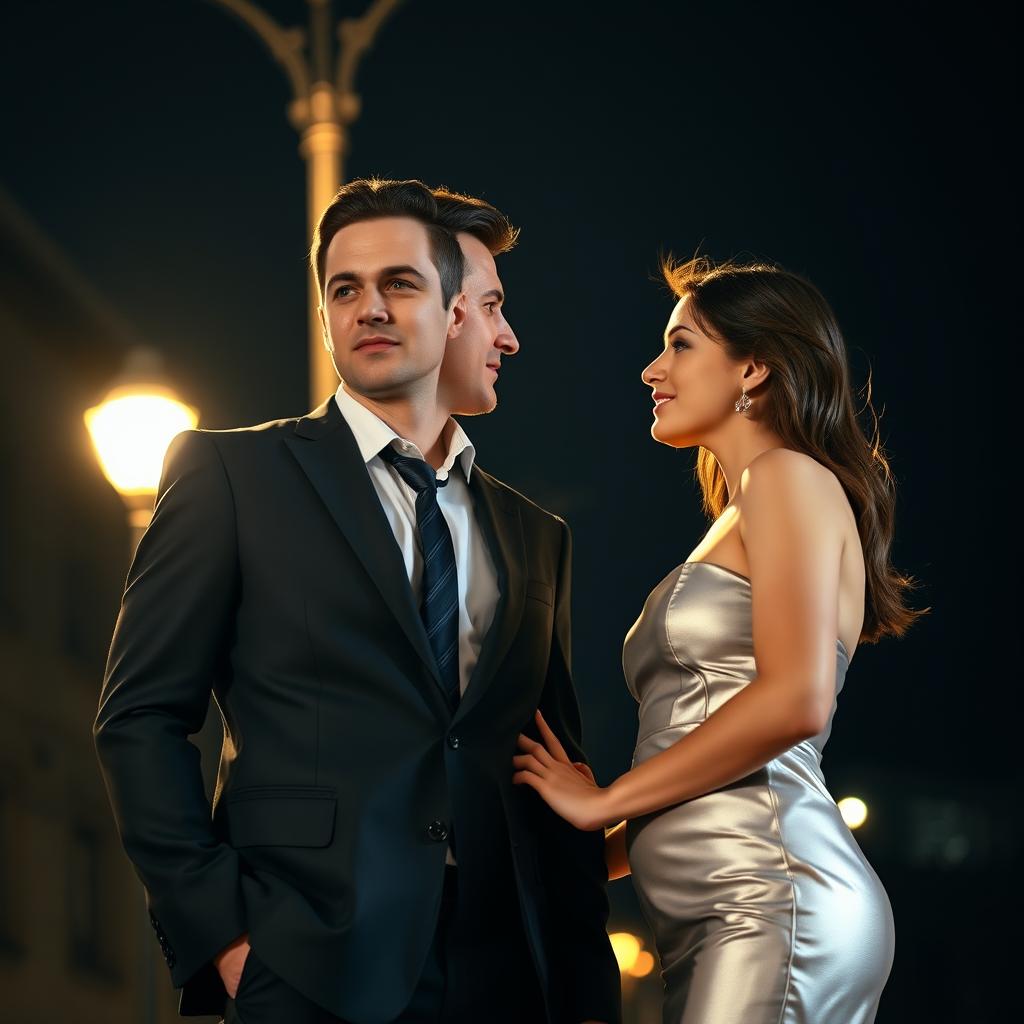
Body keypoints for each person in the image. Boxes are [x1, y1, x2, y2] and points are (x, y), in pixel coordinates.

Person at [94, 178, 621, 1024]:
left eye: (399, 284)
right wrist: (224, 938)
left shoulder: (535, 534)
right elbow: (140, 720)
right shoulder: (230, 477)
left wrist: (587, 993)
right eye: (346, 289)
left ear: (454, 310)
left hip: (507, 977)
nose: (369, 307)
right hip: (305, 961)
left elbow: (546, 767)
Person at [513, 256, 926, 1023]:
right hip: (726, 909)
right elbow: (710, 746)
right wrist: (584, 847)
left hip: (770, 898)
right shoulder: (749, 507)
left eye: (680, 345)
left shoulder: (787, 477)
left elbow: (798, 704)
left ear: (754, 367)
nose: (650, 370)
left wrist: (604, 801)